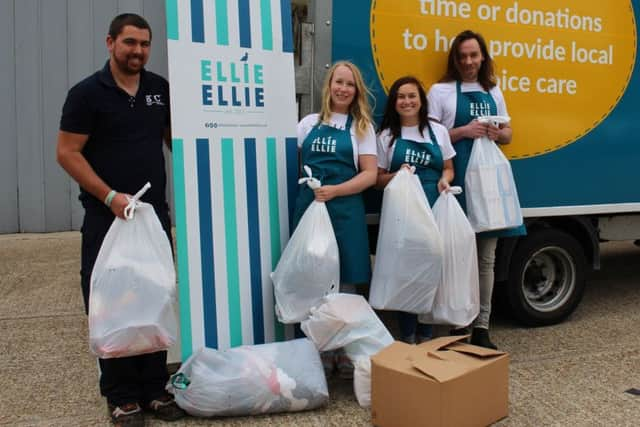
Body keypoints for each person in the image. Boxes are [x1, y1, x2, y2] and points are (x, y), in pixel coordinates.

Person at [56, 13, 184, 426]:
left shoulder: (158, 90)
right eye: (130, 43)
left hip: (151, 217)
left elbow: (174, 141)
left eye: (145, 44)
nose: (138, 51)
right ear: (109, 42)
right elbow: (68, 153)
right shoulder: (86, 94)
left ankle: (153, 389)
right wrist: (110, 197)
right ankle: (120, 393)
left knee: (155, 294)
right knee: (110, 302)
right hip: (106, 217)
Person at [427, 30, 526, 349]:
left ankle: (482, 326)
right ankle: (458, 323)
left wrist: (497, 133)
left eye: (474, 55)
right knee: (454, 255)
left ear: (483, 57)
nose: (468, 61)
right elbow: (430, 138)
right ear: (454, 59)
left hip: (487, 186)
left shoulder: (493, 90)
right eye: (462, 56)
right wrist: (464, 131)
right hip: (454, 184)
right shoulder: (440, 91)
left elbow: (510, 133)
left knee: (486, 258)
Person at [293, 60, 377, 377]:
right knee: (314, 279)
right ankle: (319, 350)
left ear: (356, 92)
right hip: (311, 209)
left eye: (349, 84)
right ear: (328, 86)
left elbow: (370, 175)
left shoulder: (362, 127)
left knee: (344, 282)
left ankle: (342, 350)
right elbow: (298, 167)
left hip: (344, 210)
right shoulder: (307, 123)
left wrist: (336, 190)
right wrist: (318, 193)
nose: (343, 89)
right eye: (338, 82)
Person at [375, 76, 455, 344]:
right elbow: (377, 178)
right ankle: (408, 335)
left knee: (431, 268)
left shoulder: (438, 131)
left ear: (421, 101)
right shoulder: (386, 136)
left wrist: (445, 180)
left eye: (412, 96)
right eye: (401, 97)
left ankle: (427, 333)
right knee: (407, 273)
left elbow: (448, 167)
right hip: (402, 214)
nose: (407, 101)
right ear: (394, 103)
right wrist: (398, 174)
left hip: (433, 208)